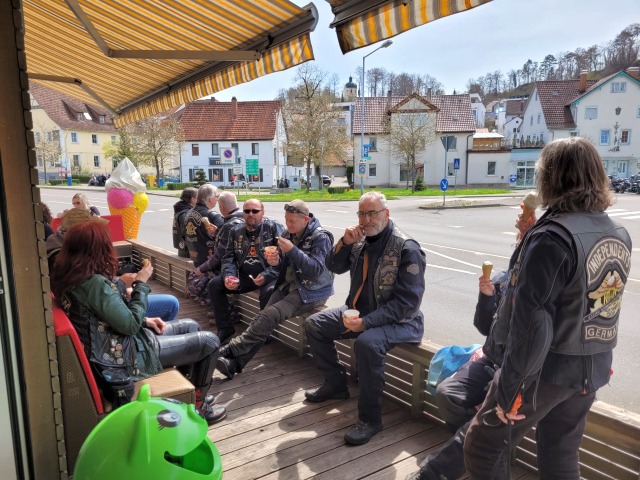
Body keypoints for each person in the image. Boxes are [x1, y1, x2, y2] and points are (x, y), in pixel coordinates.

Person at [463, 137, 632, 479]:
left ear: (550, 177)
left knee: (482, 448)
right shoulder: (617, 232)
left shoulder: (552, 237)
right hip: (592, 369)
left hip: (546, 372)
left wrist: (511, 391)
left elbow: (533, 325)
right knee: (560, 454)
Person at [51, 221, 227, 425]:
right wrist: (141, 284)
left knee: (190, 325)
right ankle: (199, 406)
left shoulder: (70, 277)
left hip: (111, 345)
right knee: (210, 342)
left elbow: (99, 316)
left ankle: (190, 393)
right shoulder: (94, 284)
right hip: (122, 356)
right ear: (98, 249)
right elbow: (131, 325)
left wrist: (145, 320)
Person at [408, 211, 536, 480]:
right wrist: (487, 296)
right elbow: (484, 327)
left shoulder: (540, 287)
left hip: (517, 369)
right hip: (492, 357)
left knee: (488, 418)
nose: (522, 248)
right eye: (521, 241)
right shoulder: (504, 279)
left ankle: (458, 455)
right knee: (447, 393)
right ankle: (472, 445)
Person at [304, 191, 425, 446]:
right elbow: (334, 267)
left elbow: (407, 304)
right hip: (359, 312)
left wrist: (366, 323)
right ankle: (336, 384)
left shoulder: (407, 248)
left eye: (372, 213)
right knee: (314, 325)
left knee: (367, 343)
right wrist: (345, 242)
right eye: (362, 213)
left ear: (386, 214)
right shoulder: (359, 241)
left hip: (402, 322)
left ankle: (371, 420)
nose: (366, 220)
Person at [216, 200, 334, 379]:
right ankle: (235, 364)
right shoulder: (288, 233)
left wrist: (292, 250)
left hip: (312, 290)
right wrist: (276, 261)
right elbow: (283, 265)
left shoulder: (321, 237)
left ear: (305, 220)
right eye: (286, 220)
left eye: (292, 221)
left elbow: (316, 270)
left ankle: (230, 349)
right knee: (263, 318)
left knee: (270, 315)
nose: (288, 224)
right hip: (289, 285)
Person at [207, 198, 283, 344]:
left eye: (255, 211)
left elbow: (284, 260)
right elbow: (228, 258)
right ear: (243, 213)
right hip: (245, 276)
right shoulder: (236, 231)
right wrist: (229, 276)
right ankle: (225, 329)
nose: (250, 214)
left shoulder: (273, 228)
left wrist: (267, 275)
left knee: (268, 292)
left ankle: (264, 333)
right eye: (247, 211)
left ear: (262, 213)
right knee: (215, 284)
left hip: (269, 276)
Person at [192, 191, 244, 322]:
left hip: (232, 268)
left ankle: (227, 314)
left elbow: (220, 255)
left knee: (196, 282)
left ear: (222, 207)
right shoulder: (239, 219)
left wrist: (202, 269)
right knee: (206, 281)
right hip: (237, 266)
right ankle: (220, 311)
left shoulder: (230, 224)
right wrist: (217, 233)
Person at [172, 187, 198, 258]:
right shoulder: (186, 213)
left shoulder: (180, 209)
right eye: (198, 198)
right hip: (188, 252)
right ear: (193, 199)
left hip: (182, 249)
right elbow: (187, 233)